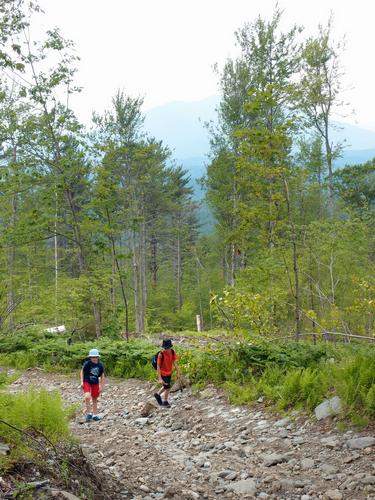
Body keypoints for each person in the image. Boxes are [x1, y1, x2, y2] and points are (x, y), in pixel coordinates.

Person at [80, 348, 105, 422]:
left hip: (95, 383)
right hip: (87, 381)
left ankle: (94, 415)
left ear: (98, 357)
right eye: (92, 357)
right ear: (90, 357)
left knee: (94, 399)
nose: (94, 358)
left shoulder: (100, 365)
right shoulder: (87, 364)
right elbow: (82, 372)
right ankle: (89, 413)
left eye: (95, 357)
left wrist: (101, 386)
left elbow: (102, 375)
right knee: (87, 397)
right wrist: (81, 381)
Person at [154, 339, 180, 408]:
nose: (167, 349)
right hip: (163, 373)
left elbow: (175, 363)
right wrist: (159, 378)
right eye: (165, 348)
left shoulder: (172, 352)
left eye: (168, 347)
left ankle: (157, 394)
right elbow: (158, 366)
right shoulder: (161, 354)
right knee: (167, 387)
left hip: (169, 372)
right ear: (164, 347)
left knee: (166, 386)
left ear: (170, 347)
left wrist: (178, 372)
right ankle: (165, 402)